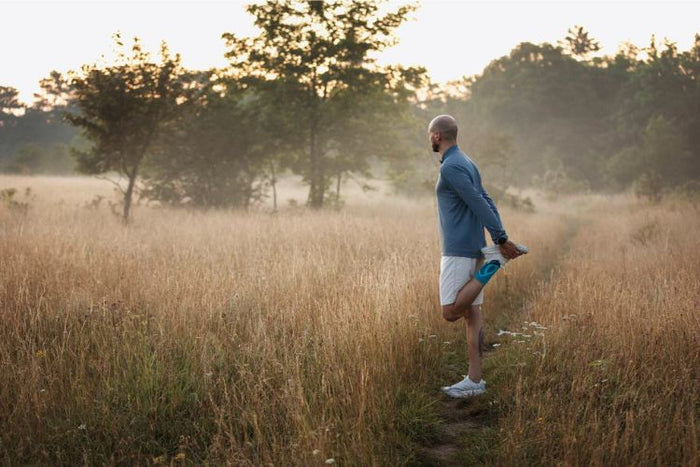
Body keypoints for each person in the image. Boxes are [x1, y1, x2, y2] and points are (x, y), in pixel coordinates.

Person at [429, 114, 527, 398]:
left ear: (437, 136)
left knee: (450, 312)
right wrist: (499, 236)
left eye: (430, 135)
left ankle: (494, 265)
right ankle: (474, 381)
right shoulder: (467, 162)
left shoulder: (452, 167)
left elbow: (478, 203)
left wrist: (500, 240)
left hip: (459, 249)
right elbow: (487, 200)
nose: (429, 139)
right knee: (472, 313)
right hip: (472, 246)